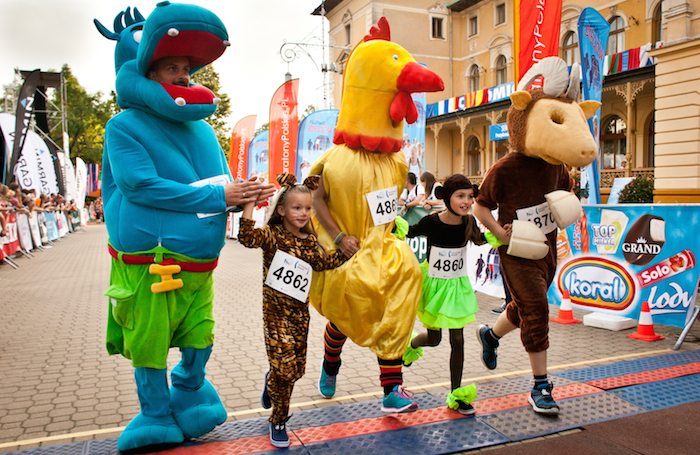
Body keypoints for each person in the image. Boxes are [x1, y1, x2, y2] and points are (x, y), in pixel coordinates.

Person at [97, 3, 275, 450]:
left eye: (186, 69)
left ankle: (190, 389)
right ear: (150, 73)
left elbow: (218, 185)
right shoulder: (123, 126)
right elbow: (140, 186)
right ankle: (155, 414)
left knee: (200, 338)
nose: (182, 76)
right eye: (171, 68)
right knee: (150, 342)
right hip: (151, 265)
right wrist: (221, 197)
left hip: (200, 267)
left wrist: (247, 194)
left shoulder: (203, 130)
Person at [238, 173, 351, 448]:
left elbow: (323, 263)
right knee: (286, 369)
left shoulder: (310, 241)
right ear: (281, 211)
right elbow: (246, 237)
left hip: (300, 316)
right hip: (274, 315)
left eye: (308, 208)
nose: (303, 213)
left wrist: (349, 249)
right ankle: (278, 421)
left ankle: (272, 381)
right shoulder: (272, 236)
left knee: (296, 370)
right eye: (296, 207)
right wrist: (250, 203)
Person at [401, 175, 491, 415]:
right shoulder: (432, 221)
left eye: (470, 197)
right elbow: (409, 232)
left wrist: (501, 232)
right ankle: (410, 345)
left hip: (456, 287)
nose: (466, 201)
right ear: (447, 197)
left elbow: (480, 240)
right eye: (460, 196)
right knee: (434, 339)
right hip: (434, 285)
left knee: (457, 340)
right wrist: (389, 223)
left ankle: (456, 394)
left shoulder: (469, 222)